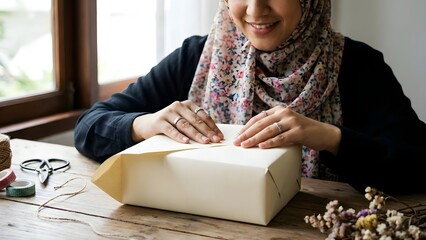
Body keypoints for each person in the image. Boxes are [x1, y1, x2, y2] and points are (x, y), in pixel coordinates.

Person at [74, 0, 426, 194]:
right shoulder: (197, 56)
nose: (256, 10)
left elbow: (418, 164)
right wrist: (144, 123)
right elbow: (88, 127)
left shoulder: (358, 66)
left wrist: (330, 138)